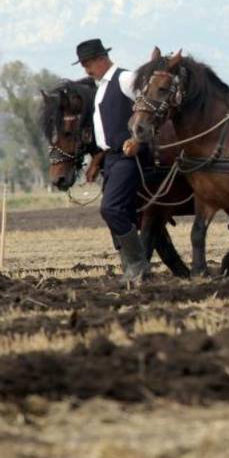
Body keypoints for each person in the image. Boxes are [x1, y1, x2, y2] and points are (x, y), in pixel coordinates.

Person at [73, 38, 150, 283]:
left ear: (101, 59)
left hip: (128, 157)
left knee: (111, 209)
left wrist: (138, 140)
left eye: (87, 63)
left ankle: (138, 264)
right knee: (122, 212)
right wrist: (98, 159)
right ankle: (131, 270)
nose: (86, 69)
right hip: (111, 158)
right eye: (83, 64)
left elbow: (148, 109)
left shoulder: (125, 79)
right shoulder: (101, 87)